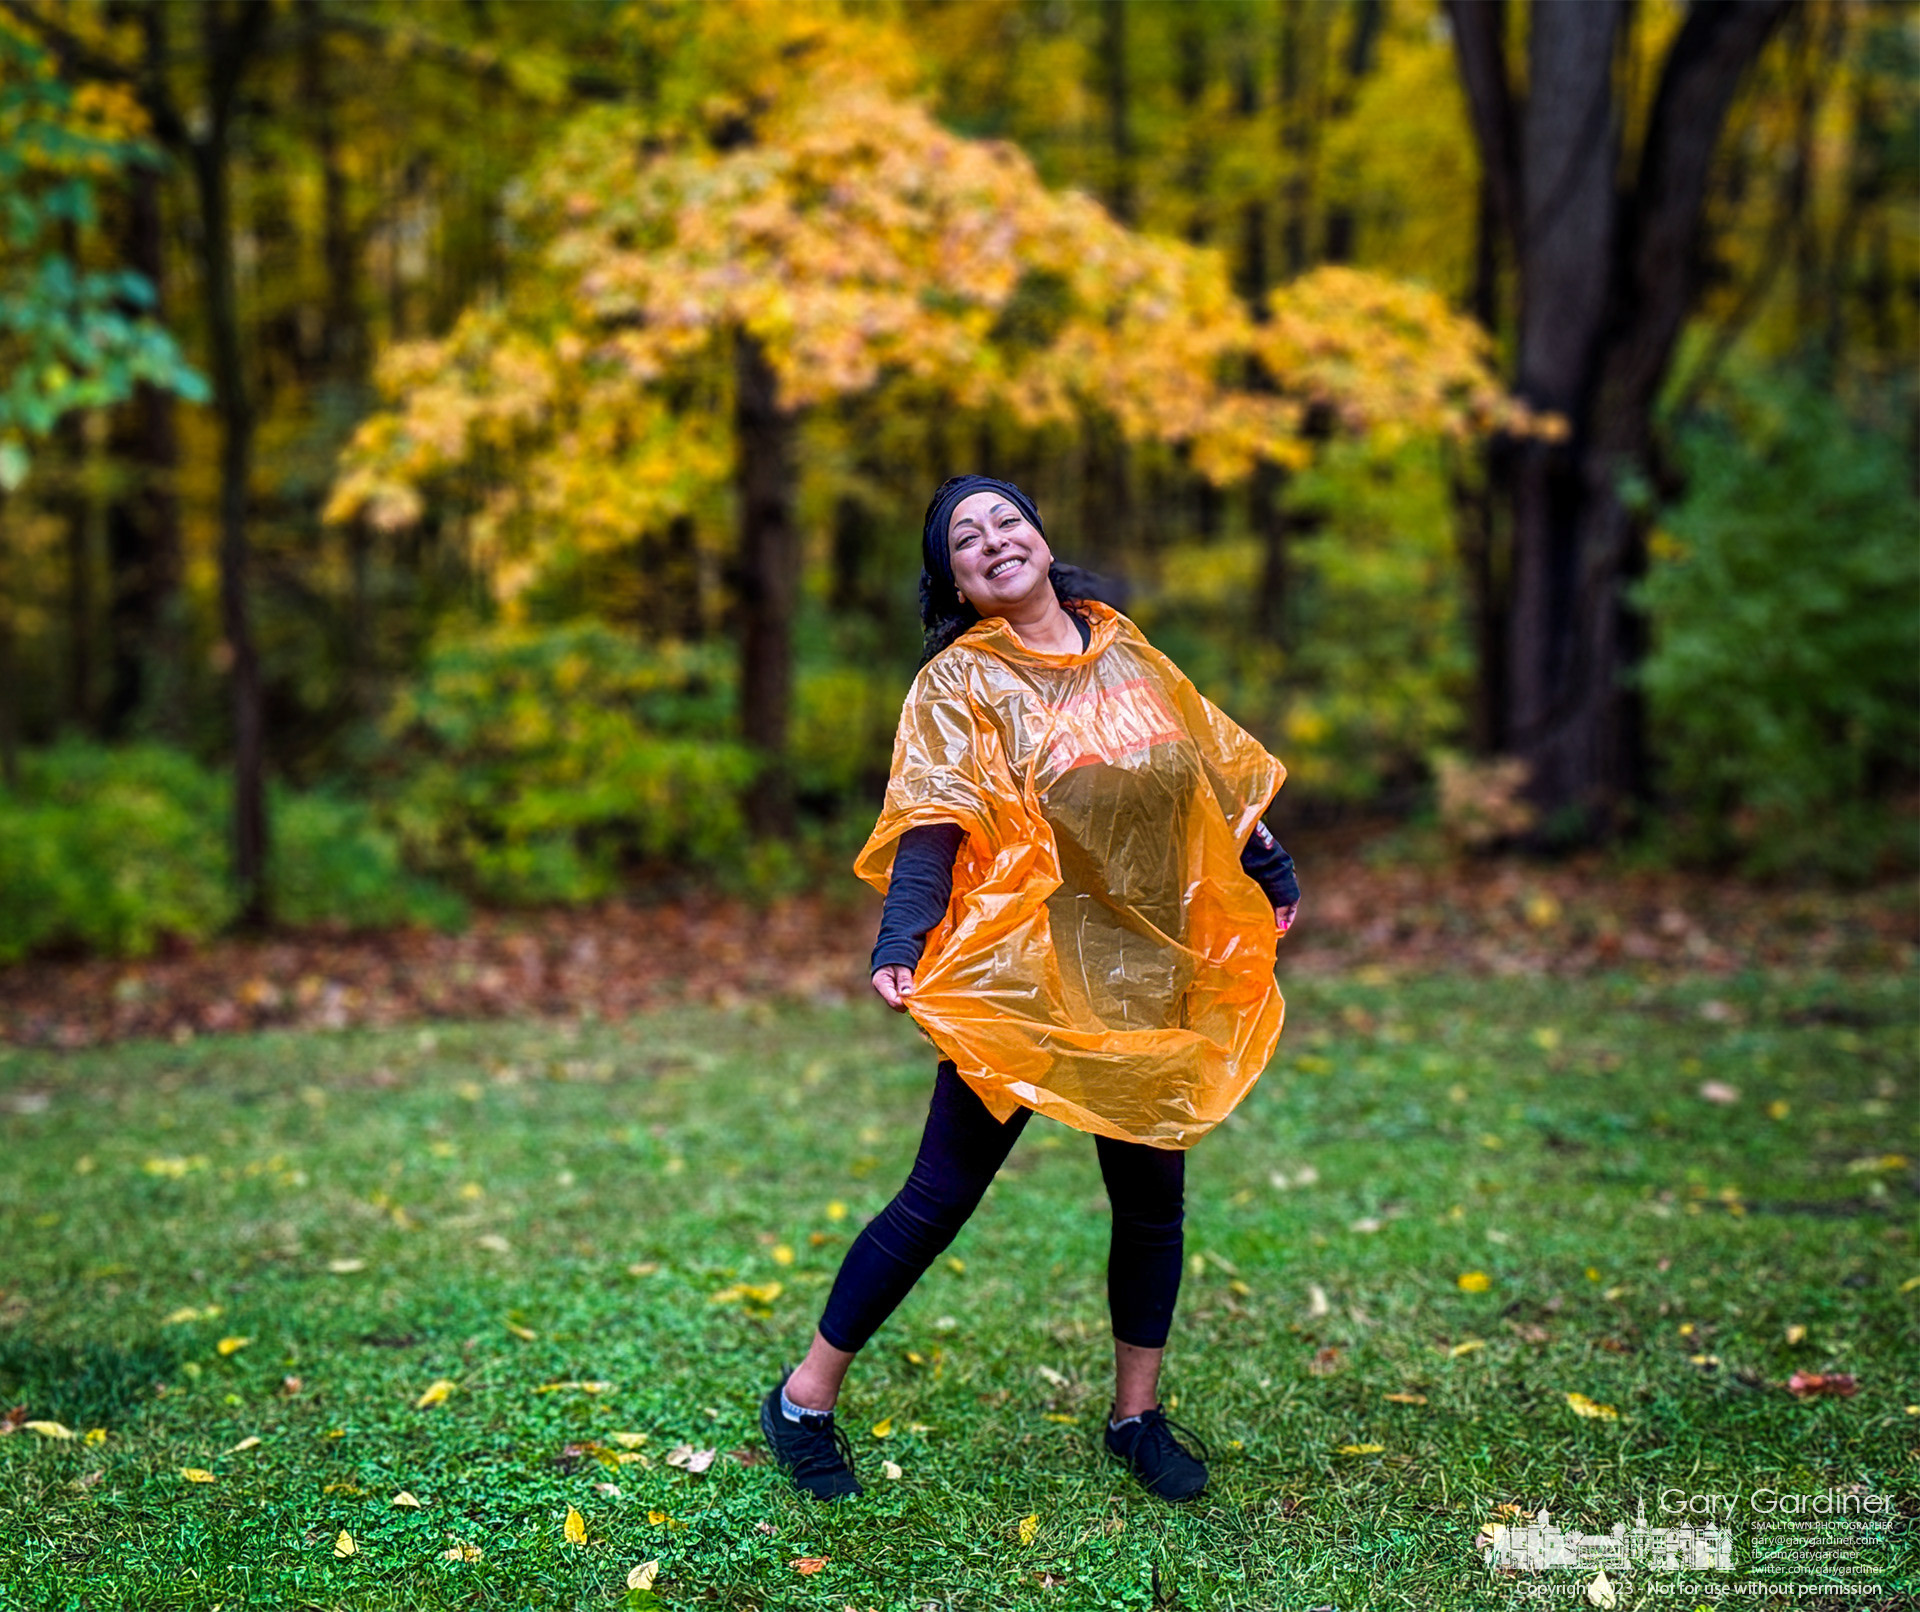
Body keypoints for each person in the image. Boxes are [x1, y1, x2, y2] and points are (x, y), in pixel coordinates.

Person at [759, 475, 1300, 1505]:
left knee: (1151, 1205)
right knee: (939, 1197)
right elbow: (935, 815)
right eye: (966, 538)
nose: (994, 539)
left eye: (1007, 519)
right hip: (1026, 978)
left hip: (1146, 963)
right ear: (956, 582)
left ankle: (1136, 1417)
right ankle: (802, 1399)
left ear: (1042, 539)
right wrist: (903, 932)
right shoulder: (960, 682)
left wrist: (1268, 866)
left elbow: (1204, 771)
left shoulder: (1123, 646)